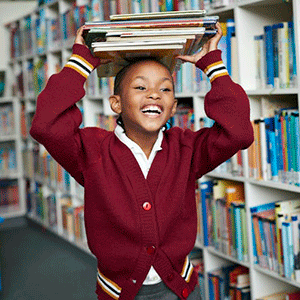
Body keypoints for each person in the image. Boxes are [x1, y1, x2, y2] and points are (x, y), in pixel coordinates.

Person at [30, 22, 254, 300]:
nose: (154, 94)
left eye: (166, 89)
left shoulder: (188, 149)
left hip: (181, 289)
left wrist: (213, 67)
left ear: (172, 107)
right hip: (118, 292)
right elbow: (46, 125)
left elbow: (239, 132)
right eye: (140, 87)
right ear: (116, 104)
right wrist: (80, 63)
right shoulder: (91, 150)